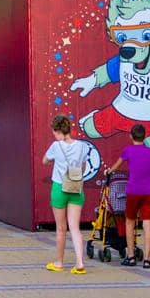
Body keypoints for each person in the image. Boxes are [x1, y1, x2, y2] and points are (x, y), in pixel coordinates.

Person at [42, 115, 90, 274]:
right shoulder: (82, 146)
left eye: (54, 132)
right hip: (76, 187)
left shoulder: (56, 146)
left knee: (61, 228)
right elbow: (83, 166)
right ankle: (80, 263)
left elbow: (45, 161)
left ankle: (59, 263)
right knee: (75, 228)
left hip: (59, 187)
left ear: (57, 131)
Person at [107, 124, 150, 267]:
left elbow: (117, 165)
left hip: (133, 191)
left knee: (130, 221)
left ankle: (130, 257)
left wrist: (109, 171)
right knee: (148, 222)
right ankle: (147, 259)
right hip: (148, 191)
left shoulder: (128, 150)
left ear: (130, 136)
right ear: (145, 136)